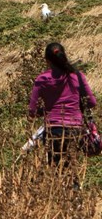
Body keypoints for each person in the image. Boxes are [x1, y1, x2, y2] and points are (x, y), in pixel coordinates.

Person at [29, 42, 97, 170]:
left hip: (53, 129)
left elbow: (32, 111)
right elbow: (92, 102)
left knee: (56, 169)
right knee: (72, 168)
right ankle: (75, 188)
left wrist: (45, 111)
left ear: (47, 60)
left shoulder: (42, 79)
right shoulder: (77, 76)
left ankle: (60, 189)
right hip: (76, 128)